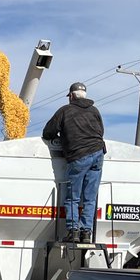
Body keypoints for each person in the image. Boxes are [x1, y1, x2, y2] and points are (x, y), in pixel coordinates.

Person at [42, 81, 105, 244]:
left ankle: (73, 232)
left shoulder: (65, 111)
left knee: (73, 197)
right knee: (90, 198)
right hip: (98, 153)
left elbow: (48, 132)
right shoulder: (94, 110)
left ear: (71, 96)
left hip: (78, 155)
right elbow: (101, 131)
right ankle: (86, 233)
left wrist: (61, 137)